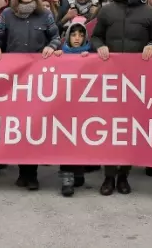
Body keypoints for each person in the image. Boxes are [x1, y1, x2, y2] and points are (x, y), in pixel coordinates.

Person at [90, 0, 152, 196]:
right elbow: (96, 35)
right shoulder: (107, 11)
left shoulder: (150, 13)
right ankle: (109, 176)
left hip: (136, 82)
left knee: (129, 130)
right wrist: (99, 45)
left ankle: (123, 176)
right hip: (110, 80)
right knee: (110, 129)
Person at [0, 0, 60, 190]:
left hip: (38, 80)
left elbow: (56, 37)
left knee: (34, 125)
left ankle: (33, 173)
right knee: (18, 124)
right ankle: (22, 171)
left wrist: (52, 46)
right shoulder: (8, 15)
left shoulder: (45, 15)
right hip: (14, 79)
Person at [57, 18, 93, 197]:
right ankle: (67, 176)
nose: (77, 38)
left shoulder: (91, 54)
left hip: (84, 106)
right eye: (73, 34)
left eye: (81, 34)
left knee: (80, 138)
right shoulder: (60, 55)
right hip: (64, 106)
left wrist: (91, 59)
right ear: (67, 37)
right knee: (66, 138)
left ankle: (78, 170)